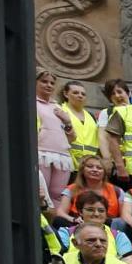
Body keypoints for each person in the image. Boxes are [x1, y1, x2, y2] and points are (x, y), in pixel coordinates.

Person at [57, 191, 132, 263]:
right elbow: (57, 258)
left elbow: (127, 262)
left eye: (101, 211)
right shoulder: (65, 233)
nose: (96, 214)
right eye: (90, 210)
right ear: (80, 212)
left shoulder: (118, 236)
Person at [35, 69, 77, 206]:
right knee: (42, 193)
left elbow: (71, 138)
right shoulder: (31, 103)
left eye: (52, 83)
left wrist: (67, 122)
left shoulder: (58, 107)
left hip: (62, 156)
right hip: (42, 153)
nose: (49, 85)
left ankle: (54, 226)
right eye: (44, 81)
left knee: (58, 195)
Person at [56, 155, 123, 229]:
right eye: (90, 166)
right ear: (82, 170)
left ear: (104, 172)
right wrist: (74, 219)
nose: (95, 170)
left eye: (99, 168)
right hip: (78, 224)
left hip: (107, 224)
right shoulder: (71, 189)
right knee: (59, 220)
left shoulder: (117, 191)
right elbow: (60, 212)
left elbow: (124, 217)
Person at [60, 79, 100, 172]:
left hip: (90, 166)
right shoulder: (61, 111)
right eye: (75, 93)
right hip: (68, 163)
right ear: (66, 94)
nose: (80, 96)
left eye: (83, 94)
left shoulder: (90, 116)